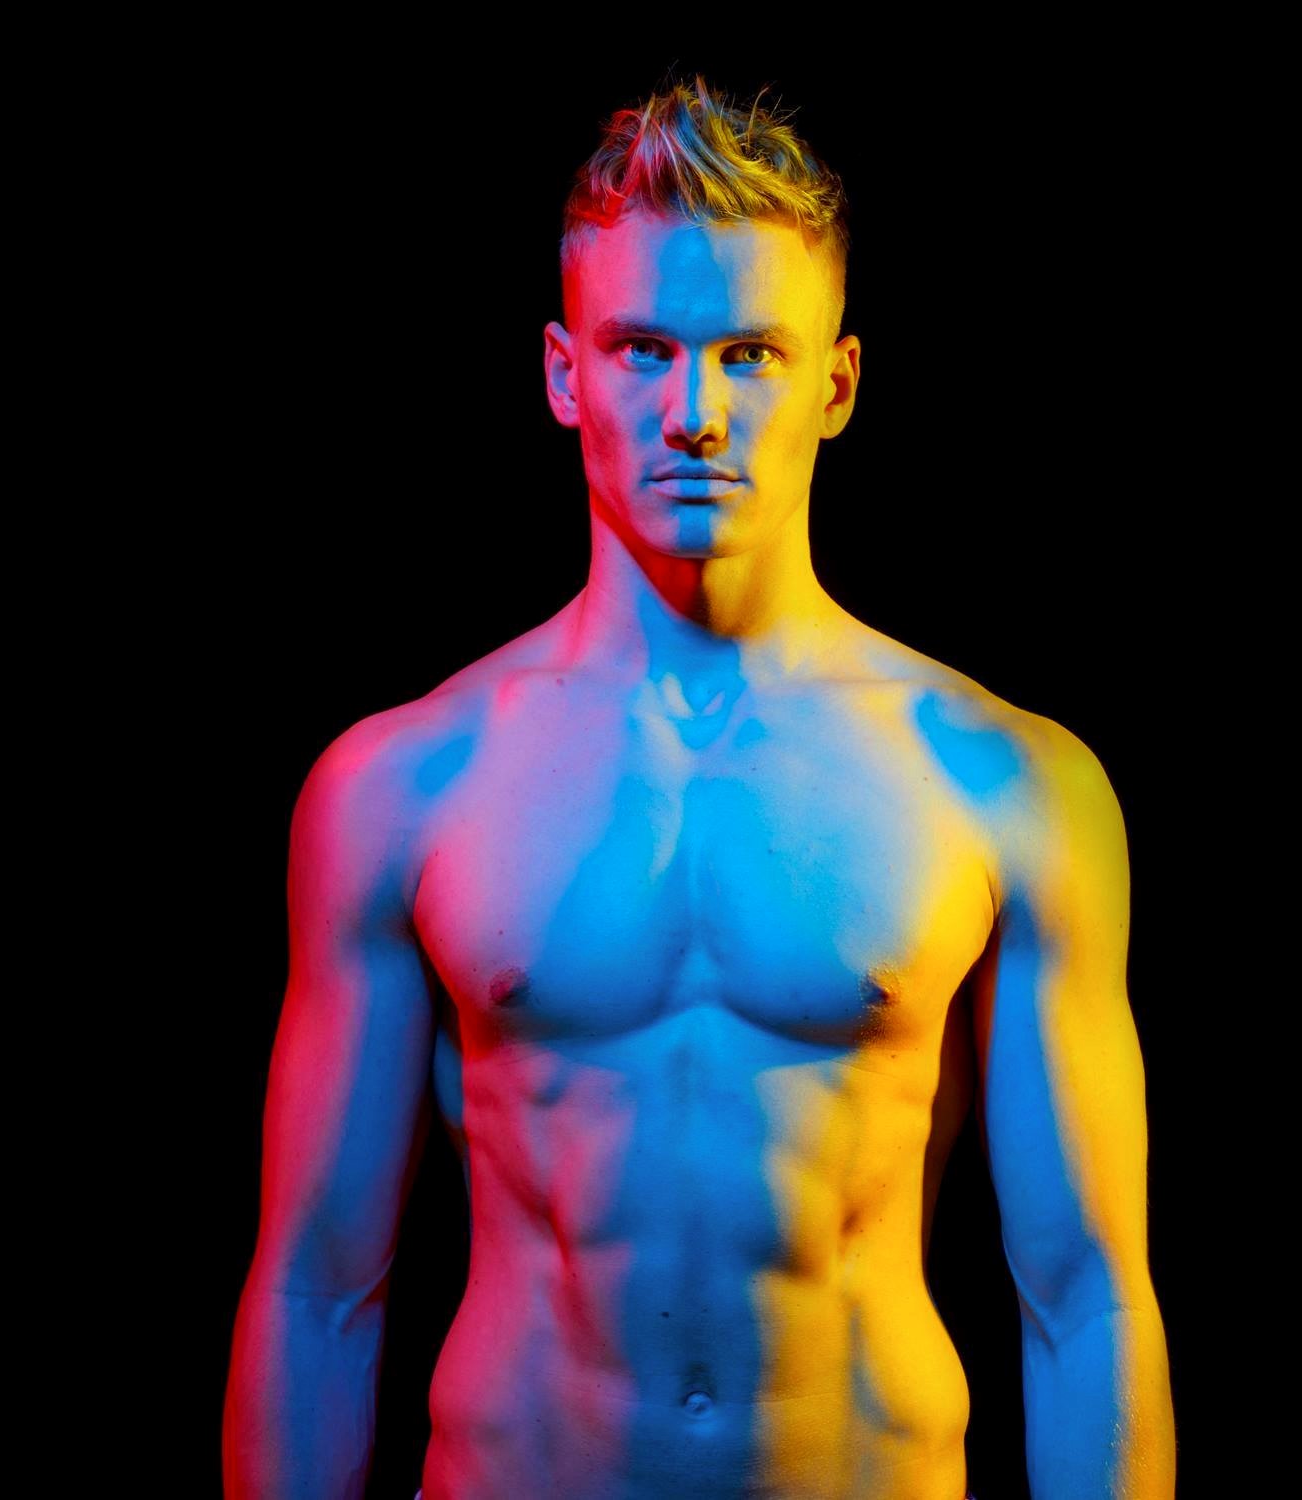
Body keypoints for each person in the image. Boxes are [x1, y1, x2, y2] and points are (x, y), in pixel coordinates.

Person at [222, 73, 1175, 1500]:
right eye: (644, 351)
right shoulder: (407, 784)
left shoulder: (999, 783)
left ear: (835, 385)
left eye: (749, 356)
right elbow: (316, 1289)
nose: (695, 413)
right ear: (565, 375)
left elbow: (1085, 1294)